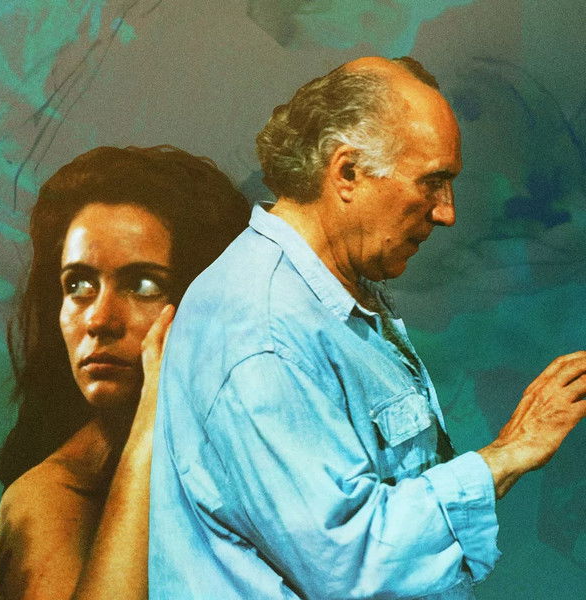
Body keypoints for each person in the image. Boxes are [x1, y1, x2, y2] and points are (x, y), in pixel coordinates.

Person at [149, 56, 586, 599]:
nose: (447, 213)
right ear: (347, 172)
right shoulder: (264, 330)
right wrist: (508, 454)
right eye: (433, 182)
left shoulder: (321, 295)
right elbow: (348, 561)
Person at [0, 145, 250, 599]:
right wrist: (151, 419)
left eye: (143, 284)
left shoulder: (231, 465)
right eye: (78, 285)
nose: (99, 319)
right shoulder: (49, 499)